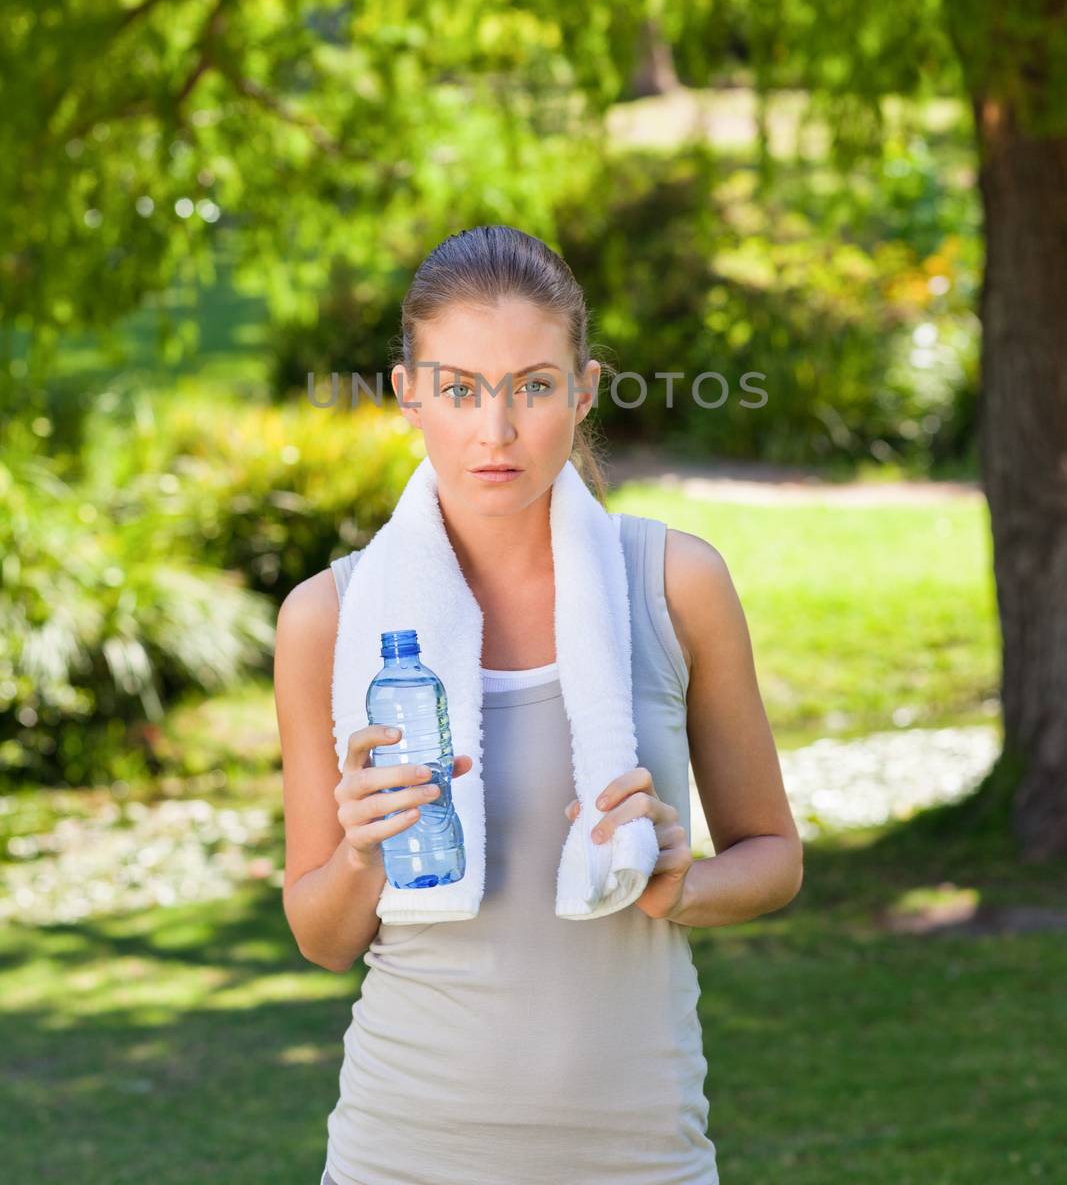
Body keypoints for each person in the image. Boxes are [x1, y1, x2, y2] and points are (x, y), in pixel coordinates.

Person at [273, 224, 803, 1185]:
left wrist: (681, 884)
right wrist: (359, 852)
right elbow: (322, 937)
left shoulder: (673, 583)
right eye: (459, 390)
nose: (496, 431)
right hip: (401, 1152)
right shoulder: (328, 617)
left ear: (584, 389)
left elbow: (773, 856)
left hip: (640, 1154)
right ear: (409, 397)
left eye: (534, 387)